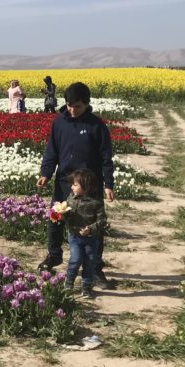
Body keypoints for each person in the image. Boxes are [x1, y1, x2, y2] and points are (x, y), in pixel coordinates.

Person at [36, 82, 115, 287]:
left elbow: (106, 157)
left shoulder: (96, 126)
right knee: (55, 219)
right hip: (64, 182)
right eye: (69, 105)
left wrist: (108, 184)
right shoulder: (59, 122)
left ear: (87, 104)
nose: (72, 110)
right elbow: (51, 150)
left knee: (92, 225)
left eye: (77, 106)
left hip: (89, 185)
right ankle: (54, 256)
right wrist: (46, 173)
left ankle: (95, 267)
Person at [63, 169, 107, 300]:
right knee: (75, 259)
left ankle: (86, 287)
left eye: (75, 185)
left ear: (86, 186)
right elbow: (67, 214)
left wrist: (91, 229)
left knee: (89, 262)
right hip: (75, 236)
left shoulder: (96, 202)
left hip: (91, 239)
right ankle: (68, 283)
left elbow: (102, 220)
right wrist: (60, 214)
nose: (72, 187)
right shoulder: (70, 198)